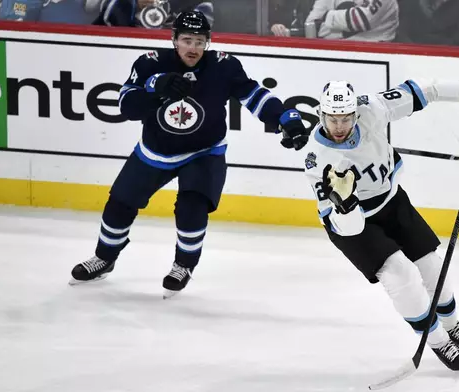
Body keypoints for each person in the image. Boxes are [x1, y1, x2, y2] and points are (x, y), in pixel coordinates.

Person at [69, 11, 310, 298]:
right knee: (120, 203)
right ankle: (105, 257)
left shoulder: (224, 66)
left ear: (208, 42)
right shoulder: (150, 64)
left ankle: (183, 265)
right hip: (155, 151)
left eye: (199, 41)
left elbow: (254, 95)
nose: (193, 48)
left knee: (192, 207)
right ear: (173, 40)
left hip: (204, 152)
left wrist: (286, 117)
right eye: (186, 40)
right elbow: (127, 106)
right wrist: (156, 89)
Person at [302, 76, 459, 372]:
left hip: (392, 202)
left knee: (432, 265)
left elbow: (425, 91)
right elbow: (349, 229)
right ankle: (437, 340)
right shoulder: (318, 161)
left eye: (345, 118)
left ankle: (451, 324)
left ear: (355, 113)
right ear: (322, 115)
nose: (339, 127)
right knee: (400, 274)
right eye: (332, 119)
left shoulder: (371, 107)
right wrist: (346, 205)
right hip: (351, 224)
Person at [271, 0, 399, 42]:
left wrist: (327, 17)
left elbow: (360, 20)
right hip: (335, 57)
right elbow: (310, 27)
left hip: (377, 59)